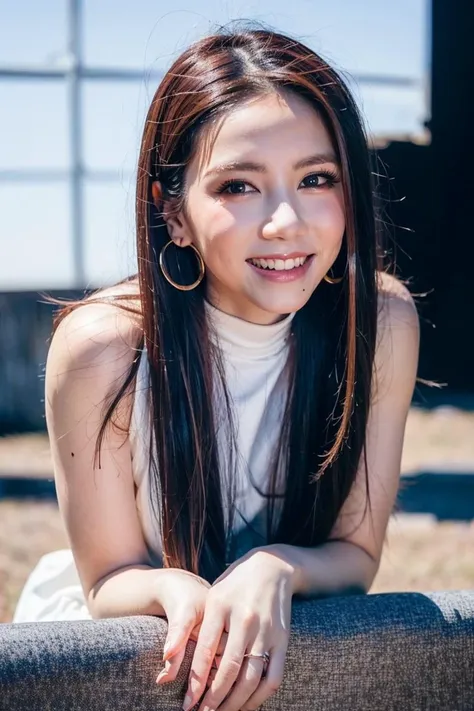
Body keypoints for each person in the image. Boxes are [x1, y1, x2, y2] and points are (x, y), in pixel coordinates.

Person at [12, 23, 420, 711]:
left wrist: (275, 568)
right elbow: (107, 581)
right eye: (238, 186)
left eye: (316, 178)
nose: (285, 221)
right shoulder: (104, 349)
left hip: (278, 642)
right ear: (171, 211)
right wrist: (180, 590)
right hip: (130, 647)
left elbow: (356, 551)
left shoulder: (380, 321)